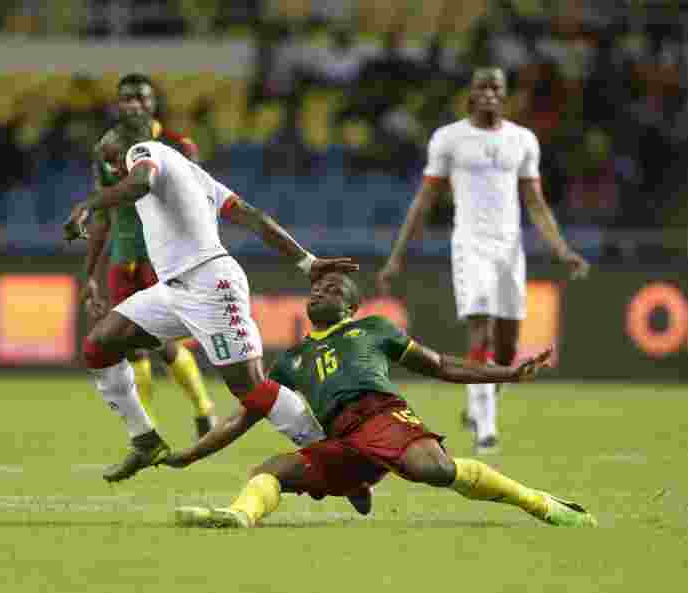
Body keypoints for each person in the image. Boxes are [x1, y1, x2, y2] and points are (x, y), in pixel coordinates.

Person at [167, 272, 597, 529]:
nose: (319, 292)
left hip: (381, 416)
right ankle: (240, 516)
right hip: (339, 438)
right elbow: (242, 419)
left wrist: (508, 373)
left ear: (352, 306)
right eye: (317, 288)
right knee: (273, 470)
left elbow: (442, 365)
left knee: (436, 469)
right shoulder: (292, 359)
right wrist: (188, 456)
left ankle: (541, 504)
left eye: (333, 288)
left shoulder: (374, 328)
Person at [64, 110, 359, 483]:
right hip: (172, 289)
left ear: (125, 146)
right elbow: (250, 215)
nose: (111, 170)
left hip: (209, 284)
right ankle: (144, 440)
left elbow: (139, 183)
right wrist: (304, 260)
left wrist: (88, 205)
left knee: (252, 391)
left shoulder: (142, 151)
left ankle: (337, 458)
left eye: (110, 160)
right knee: (99, 345)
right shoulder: (192, 172)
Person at [377, 66, 590, 454]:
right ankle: (486, 429)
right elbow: (424, 201)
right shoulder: (450, 139)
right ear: (471, 94)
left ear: (505, 95)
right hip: (470, 245)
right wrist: (397, 257)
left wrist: (562, 250)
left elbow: (536, 204)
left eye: (497, 87)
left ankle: (481, 404)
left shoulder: (523, 140)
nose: (489, 93)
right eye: (482, 87)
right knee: (482, 334)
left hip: (510, 248)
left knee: (507, 349)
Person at [82, 73, 218, 440]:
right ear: (118, 104)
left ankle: (204, 409)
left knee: (166, 346)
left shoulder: (179, 146)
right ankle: (148, 432)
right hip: (122, 258)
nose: (134, 105)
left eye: (141, 98)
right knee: (132, 348)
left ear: (154, 102)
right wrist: (90, 273)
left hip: (165, 260)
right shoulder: (107, 150)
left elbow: (198, 207)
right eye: (127, 99)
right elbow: (102, 216)